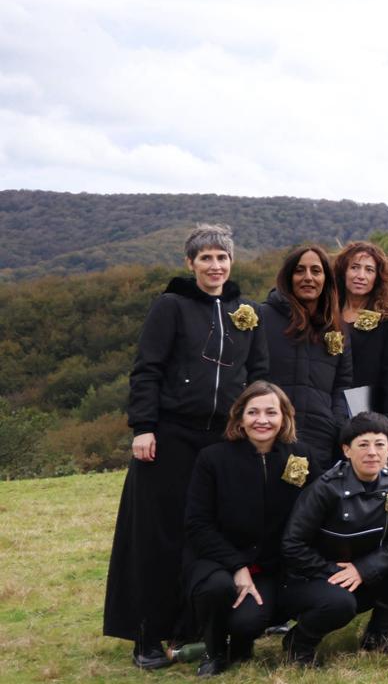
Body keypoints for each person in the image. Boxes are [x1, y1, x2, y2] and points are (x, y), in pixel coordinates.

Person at [107, 223, 269, 669]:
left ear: (232, 262)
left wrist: (255, 428)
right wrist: (143, 426)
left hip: (222, 438)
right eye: (206, 258)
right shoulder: (171, 306)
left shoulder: (245, 311)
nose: (215, 266)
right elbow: (147, 370)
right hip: (170, 435)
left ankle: (196, 628)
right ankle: (146, 635)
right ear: (190, 263)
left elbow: (258, 375)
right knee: (158, 537)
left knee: (207, 535)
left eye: (222, 258)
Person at [180, 382, 321, 676]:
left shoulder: (302, 456)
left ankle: (242, 644)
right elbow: (197, 524)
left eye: (271, 412)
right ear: (240, 418)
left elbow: (319, 511)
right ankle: (214, 651)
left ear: (284, 417)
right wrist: (236, 565)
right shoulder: (212, 459)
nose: (262, 420)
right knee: (218, 587)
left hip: (270, 565)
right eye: (253, 412)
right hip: (216, 560)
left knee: (248, 621)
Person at [278, 412, 388, 666]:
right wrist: (334, 572)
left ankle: (380, 636)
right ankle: (299, 643)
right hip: (318, 578)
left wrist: (364, 569)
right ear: (346, 450)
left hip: (363, 573)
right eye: (363, 444)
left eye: (380, 444)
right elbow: (292, 545)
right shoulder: (325, 488)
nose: (372, 452)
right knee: (341, 603)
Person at [260, 243, 354, 453]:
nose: (308, 278)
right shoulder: (263, 317)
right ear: (288, 277)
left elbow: (343, 385)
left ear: (326, 280)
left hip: (320, 440)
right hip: (270, 434)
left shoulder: (338, 328)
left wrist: (336, 424)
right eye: (299, 270)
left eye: (316, 271)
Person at [334, 240, 388, 428]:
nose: (361, 275)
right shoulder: (325, 312)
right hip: (326, 409)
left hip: (370, 413)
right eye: (354, 267)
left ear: (377, 277)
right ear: (343, 271)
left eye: (369, 270)